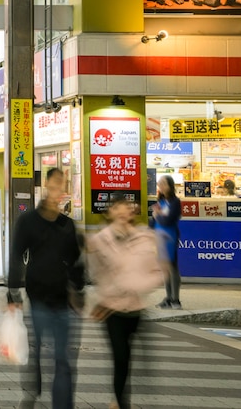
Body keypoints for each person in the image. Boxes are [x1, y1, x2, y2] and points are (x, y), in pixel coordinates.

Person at [8, 167, 85, 409]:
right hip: (37, 300)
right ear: (46, 187)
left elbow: (75, 261)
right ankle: (30, 395)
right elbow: (16, 255)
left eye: (60, 187)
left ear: (64, 190)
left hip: (64, 302)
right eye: (52, 186)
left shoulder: (67, 225)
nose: (56, 192)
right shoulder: (28, 221)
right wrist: (13, 291)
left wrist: (78, 290)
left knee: (63, 360)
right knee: (33, 354)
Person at [88, 194, 163, 409]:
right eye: (117, 208)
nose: (122, 212)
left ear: (131, 212)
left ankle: (118, 400)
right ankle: (122, 403)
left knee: (127, 360)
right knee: (120, 358)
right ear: (110, 213)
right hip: (111, 310)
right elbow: (96, 274)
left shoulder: (145, 238)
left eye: (126, 207)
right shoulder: (101, 240)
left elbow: (156, 272)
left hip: (136, 309)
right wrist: (107, 293)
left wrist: (138, 284)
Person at [151, 175, 182, 310]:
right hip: (159, 237)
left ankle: (176, 299)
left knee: (172, 267)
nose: (161, 186)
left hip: (170, 237)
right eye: (160, 183)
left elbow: (168, 220)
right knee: (164, 269)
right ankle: (168, 297)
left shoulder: (175, 202)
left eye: (164, 183)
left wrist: (157, 215)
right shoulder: (161, 201)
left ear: (170, 185)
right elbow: (153, 221)